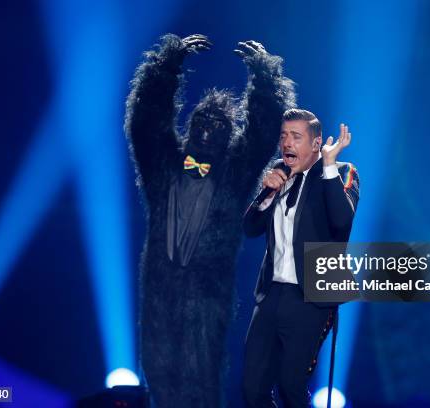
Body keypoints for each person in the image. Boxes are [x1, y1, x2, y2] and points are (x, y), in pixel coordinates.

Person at [124, 34, 295, 407]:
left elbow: (262, 134)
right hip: (160, 289)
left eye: (218, 127)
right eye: (201, 123)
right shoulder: (163, 166)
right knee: (158, 375)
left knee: (200, 379)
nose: (205, 131)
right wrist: (167, 64)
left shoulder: (234, 176)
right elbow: (146, 121)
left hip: (206, 295)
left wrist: (265, 75)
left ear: (227, 137)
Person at [242, 109, 360, 407]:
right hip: (271, 293)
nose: (287, 143)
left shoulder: (341, 171)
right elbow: (251, 228)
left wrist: (330, 165)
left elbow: (342, 220)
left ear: (316, 143)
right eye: (283, 136)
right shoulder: (278, 173)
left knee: (290, 386)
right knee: (252, 390)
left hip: (311, 297)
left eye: (296, 137)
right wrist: (267, 192)